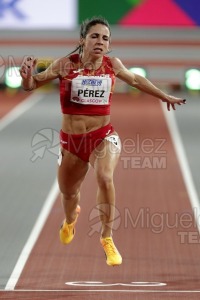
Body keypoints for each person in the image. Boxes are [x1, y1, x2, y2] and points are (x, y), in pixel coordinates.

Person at [20, 16, 186, 267]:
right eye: (94, 36)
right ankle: (70, 219)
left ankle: (106, 237)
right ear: (82, 40)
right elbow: (32, 85)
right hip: (71, 143)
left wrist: (163, 95)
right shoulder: (65, 65)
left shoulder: (112, 64)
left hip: (103, 137)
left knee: (105, 177)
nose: (100, 42)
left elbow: (136, 80)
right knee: (68, 194)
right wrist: (27, 77)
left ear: (109, 45)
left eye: (105, 38)